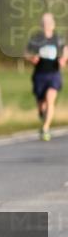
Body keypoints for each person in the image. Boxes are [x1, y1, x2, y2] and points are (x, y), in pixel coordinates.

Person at [25, 12, 67, 141]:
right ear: (41, 25)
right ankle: (43, 115)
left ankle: (45, 128)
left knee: (50, 98)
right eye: (44, 23)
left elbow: (66, 50)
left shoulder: (58, 39)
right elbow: (26, 52)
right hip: (39, 75)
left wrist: (63, 60)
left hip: (54, 74)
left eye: (49, 22)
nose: (47, 25)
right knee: (42, 105)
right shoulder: (36, 39)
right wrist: (32, 58)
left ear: (53, 24)